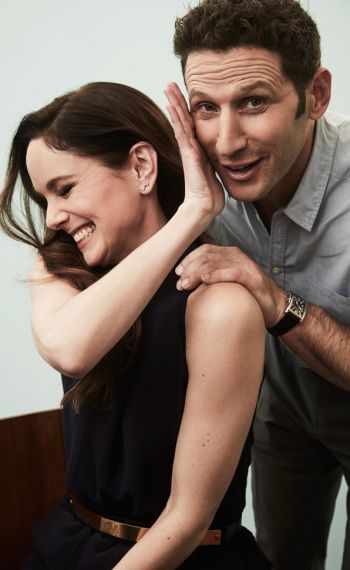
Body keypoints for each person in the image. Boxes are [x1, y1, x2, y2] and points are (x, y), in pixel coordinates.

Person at [0, 81, 272, 569]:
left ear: (142, 167)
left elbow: (186, 520)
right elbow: (71, 348)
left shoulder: (221, 304)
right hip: (73, 541)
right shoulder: (59, 269)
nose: (54, 217)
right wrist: (190, 215)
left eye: (64, 189)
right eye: (45, 200)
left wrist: (189, 219)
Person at [170, 1, 350, 569]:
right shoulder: (197, 176)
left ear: (315, 95)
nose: (226, 143)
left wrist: (273, 299)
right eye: (206, 107)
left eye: (253, 102)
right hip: (281, 409)